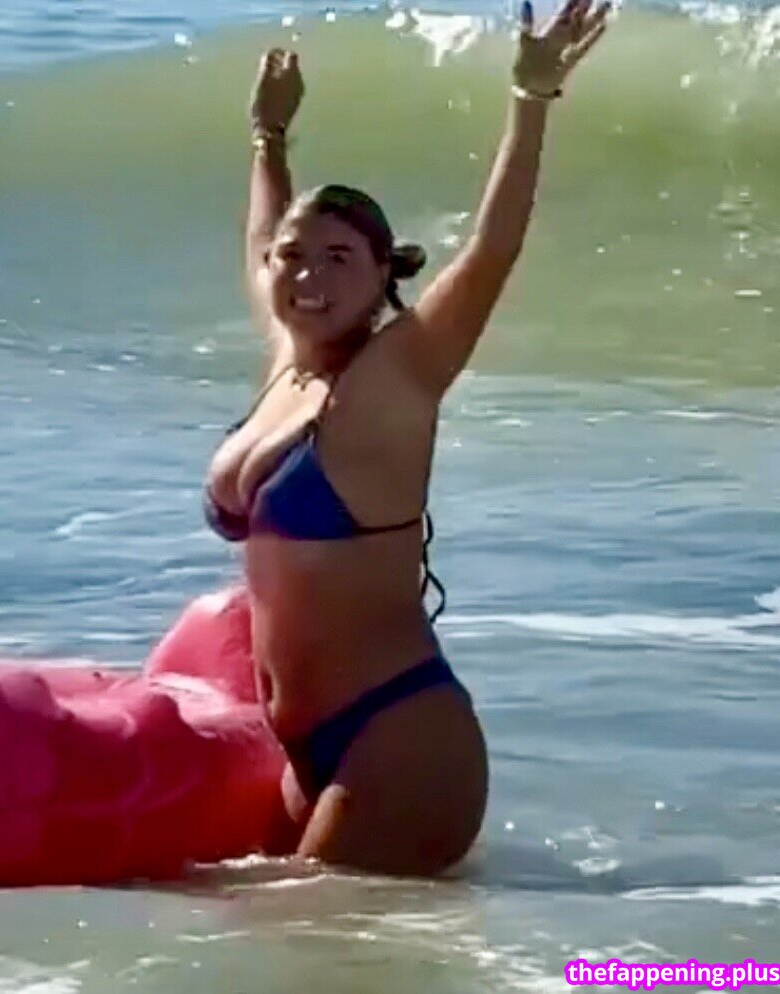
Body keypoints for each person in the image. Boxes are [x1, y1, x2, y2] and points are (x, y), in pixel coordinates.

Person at [203, 0, 611, 876]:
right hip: (307, 753)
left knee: (298, 935)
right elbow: (262, 234)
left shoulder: (393, 378)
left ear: (382, 276)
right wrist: (268, 138)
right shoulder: (288, 363)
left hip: (397, 737)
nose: (309, 275)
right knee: (253, 936)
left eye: (339, 259)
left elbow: (493, 250)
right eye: (295, 257)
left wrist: (530, 100)